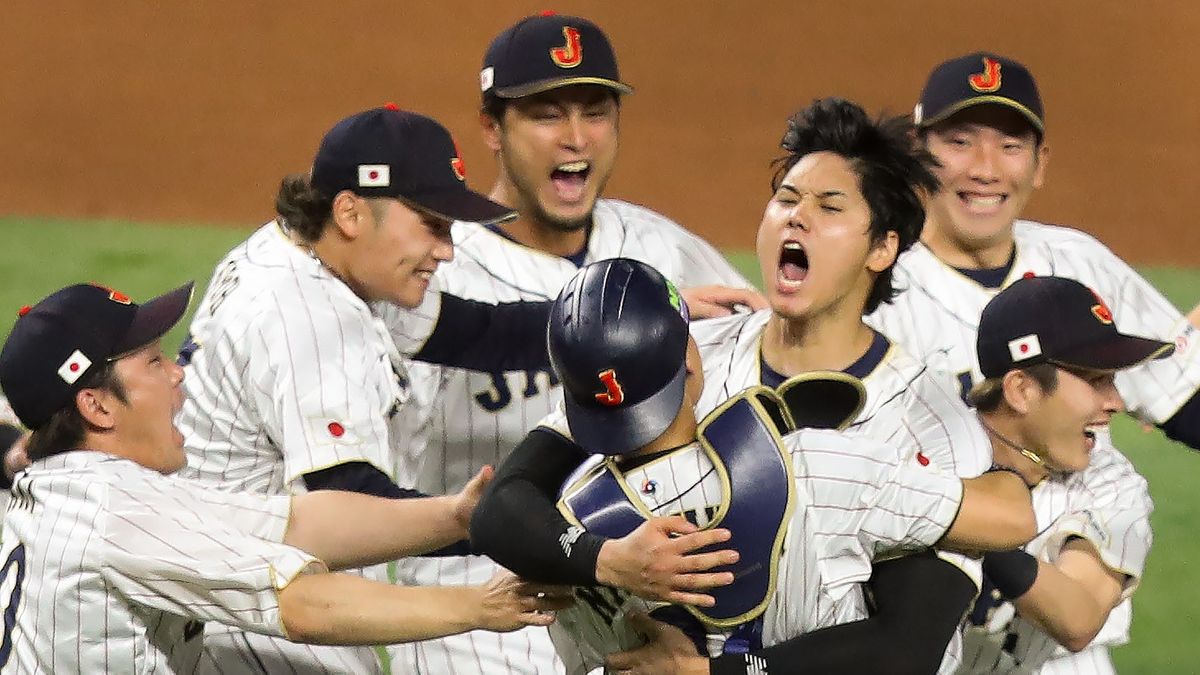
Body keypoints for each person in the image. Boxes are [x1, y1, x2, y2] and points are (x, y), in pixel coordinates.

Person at [383, 12, 763, 675]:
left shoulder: (660, 247)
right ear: (491, 128)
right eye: (546, 114)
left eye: (595, 112)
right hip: (477, 602)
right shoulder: (439, 267)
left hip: (646, 592)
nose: (575, 139)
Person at [470, 257, 1037, 675]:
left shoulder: (570, 541)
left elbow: (505, 513)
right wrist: (1007, 457)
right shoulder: (820, 466)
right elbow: (1008, 526)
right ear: (692, 359)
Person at [0, 282, 571, 673]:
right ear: (98, 407)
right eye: (152, 361)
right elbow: (302, 605)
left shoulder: (64, 491)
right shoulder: (116, 512)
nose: (177, 373)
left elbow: (294, 522)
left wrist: (452, 516)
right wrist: (479, 607)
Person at [174, 105, 561, 673]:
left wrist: (604, 323)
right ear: (352, 212)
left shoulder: (312, 251)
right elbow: (354, 502)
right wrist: (529, 532)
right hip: (252, 613)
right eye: (433, 225)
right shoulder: (310, 315)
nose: (448, 250)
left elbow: (477, 332)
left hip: (244, 586)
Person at [866, 52, 1187, 673]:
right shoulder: (872, 282)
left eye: (1010, 145)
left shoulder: (1080, 265)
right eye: (958, 142)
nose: (985, 169)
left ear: (1040, 165)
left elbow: (1184, 395)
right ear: (916, 152)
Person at [673, 96, 994, 672]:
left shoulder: (931, 423)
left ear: (882, 247)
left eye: (829, 206)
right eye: (787, 200)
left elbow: (904, 651)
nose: (797, 217)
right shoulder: (693, 360)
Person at [943, 275, 1162, 674]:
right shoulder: (933, 451)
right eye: (1096, 379)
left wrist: (952, 518)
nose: (1115, 402)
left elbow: (1078, 619)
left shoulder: (1110, 482)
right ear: (1021, 390)